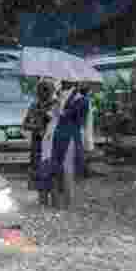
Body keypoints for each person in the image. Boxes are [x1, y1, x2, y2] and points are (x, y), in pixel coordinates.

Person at [35, 80, 89, 208]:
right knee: (56, 169)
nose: (62, 82)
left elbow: (78, 120)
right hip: (56, 137)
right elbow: (53, 116)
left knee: (68, 168)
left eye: (65, 80)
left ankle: (68, 202)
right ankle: (58, 201)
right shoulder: (60, 97)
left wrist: (59, 111)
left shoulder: (82, 100)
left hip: (69, 137)